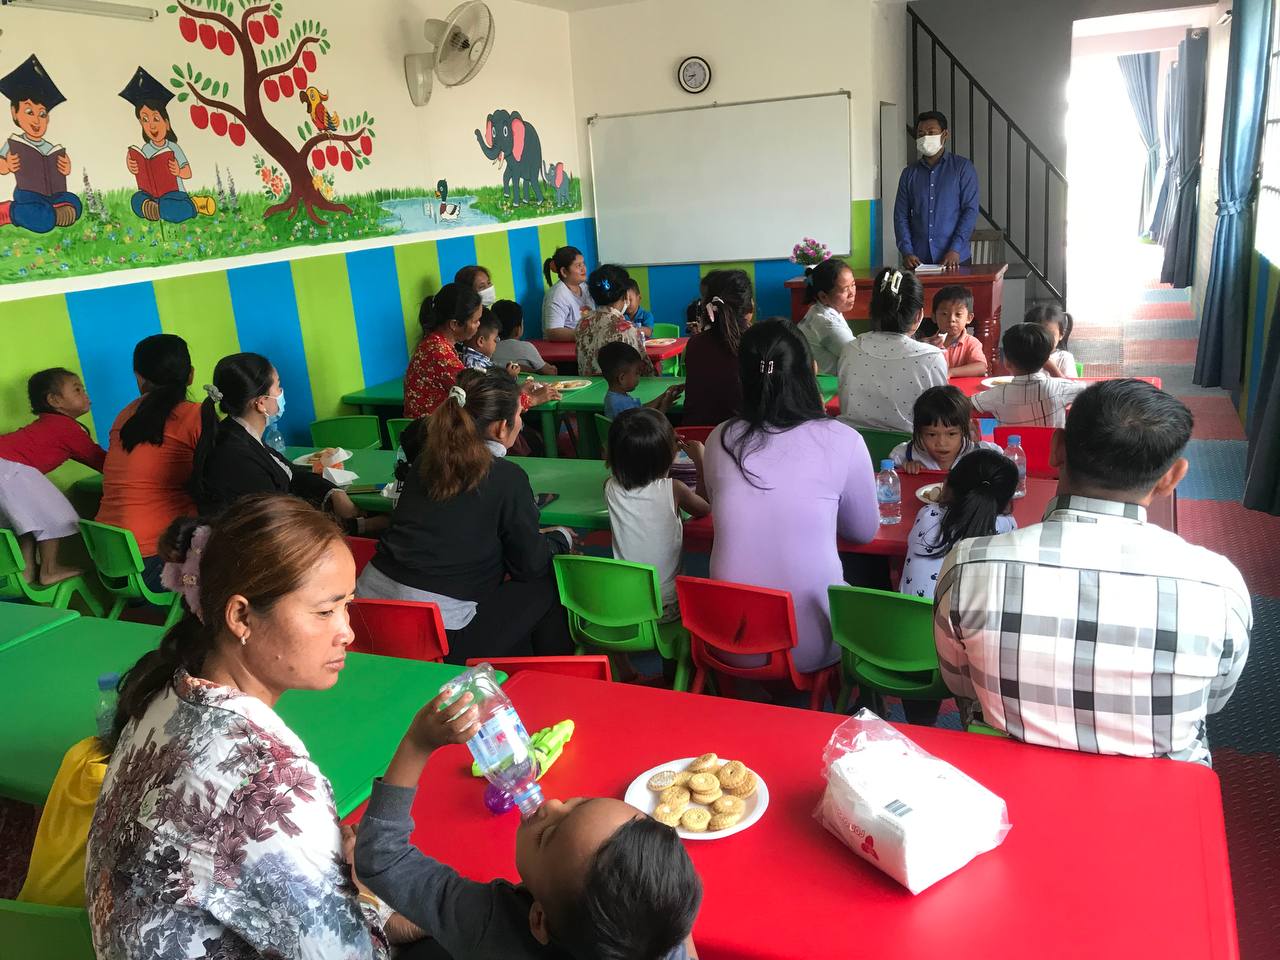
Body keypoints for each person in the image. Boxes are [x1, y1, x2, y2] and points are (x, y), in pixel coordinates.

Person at [85, 494, 424, 959]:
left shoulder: (163, 692)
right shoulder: (270, 785)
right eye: (325, 611)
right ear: (241, 615)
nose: (347, 631)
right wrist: (367, 896)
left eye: (347, 604)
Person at [935, 380, 1251, 764]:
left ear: (1056, 448)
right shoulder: (1220, 587)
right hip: (1160, 789)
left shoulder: (968, 565)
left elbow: (961, 684)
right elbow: (1213, 701)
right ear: (1172, 478)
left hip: (1006, 776)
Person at [354, 687, 701, 960]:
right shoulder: (656, 934)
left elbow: (383, 858)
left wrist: (417, 744)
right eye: (577, 804)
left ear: (538, 920)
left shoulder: (487, 923)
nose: (550, 804)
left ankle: (408, 926)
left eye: (548, 835)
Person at [356, 369, 574, 663]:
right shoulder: (506, 477)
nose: (521, 423)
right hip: (437, 637)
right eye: (520, 415)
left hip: (368, 616)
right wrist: (559, 540)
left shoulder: (425, 460)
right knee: (546, 582)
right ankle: (555, 684)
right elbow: (529, 566)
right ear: (500, 428)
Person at [704, 320, 879, 672]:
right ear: (809, 372)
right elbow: (863, 531)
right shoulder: (843, 439)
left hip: (726, 635)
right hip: (808, 646)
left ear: (743, 378)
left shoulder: (718, 439)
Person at [188, 352, 371, 530]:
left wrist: (334, 492)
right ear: (261, 403)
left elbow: (292, 473)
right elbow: (280, 522)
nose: (282, 392)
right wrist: (360, 526)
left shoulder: (241, 434)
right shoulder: (234, 455)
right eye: (278, 386)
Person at [96, 334, 203, 589]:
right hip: (157, 561)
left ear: (139, 378)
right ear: (191, 375)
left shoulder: (124, 416)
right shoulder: (195, 415)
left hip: (110, 559)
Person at [0, 367, 103, 584]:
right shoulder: (65, 427)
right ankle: (49, 569)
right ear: (54, 400)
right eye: (77, 390)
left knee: (27, 519)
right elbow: (99, 459)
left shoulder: (50, 424)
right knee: (55, 513)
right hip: (8, 466)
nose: (85, 394)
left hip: (6, 465)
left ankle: (26, 571)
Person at [606, 408, 710, 621]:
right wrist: (701, 461)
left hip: (624, 602)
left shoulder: (608, 487)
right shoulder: (674, 488)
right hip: (667, 606)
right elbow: (705, 507)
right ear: (665, 457)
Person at [405, 284, 557, 418]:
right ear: (455, 324)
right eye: (475, 321)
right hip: (434, 438)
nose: (479, 326)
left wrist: (516, 391)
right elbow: (482, 400)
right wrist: (531, 399)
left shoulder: (435, 344)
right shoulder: (439, 353)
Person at [836, 268, 948, 433]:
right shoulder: (931, 358)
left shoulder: (850, 350)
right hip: (912, 454)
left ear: (873, 311)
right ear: (919, 316)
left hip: (853, 449)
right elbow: (941, 421)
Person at [901, 448, 1017, 600]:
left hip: (906, 619)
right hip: (956, 623)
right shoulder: (1007, 526)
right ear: (1008, 502)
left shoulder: (927, 512)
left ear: (948, 484)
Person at [118, 66, 216, 223]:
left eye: (156, 119)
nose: (152, 126)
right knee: (136, 199)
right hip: (152, 195)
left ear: (167, 123)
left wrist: (178, 170)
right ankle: (153, 208)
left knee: (175, 206)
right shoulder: (146, 149)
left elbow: (188, 172)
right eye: (145, 120)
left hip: (174, 194)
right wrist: (133, 166)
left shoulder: (173, 147)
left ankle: (196, 205)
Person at [0, 54, 81, 233]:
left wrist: (65, 168)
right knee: (43, 221)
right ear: (14, 112)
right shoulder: (14, 143)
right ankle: (9, 211)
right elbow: (1, 165)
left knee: (75, 202)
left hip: (53, 195)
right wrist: (6, 165)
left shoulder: (50, 148)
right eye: (29, 111)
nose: (37, 120)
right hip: (27, 195)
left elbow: (62, 172)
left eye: (42, 114)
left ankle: (53, 213)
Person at [893, 110, 980, 270]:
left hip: (955, 259)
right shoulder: (909, 174)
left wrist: (955, 248)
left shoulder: (962, 168)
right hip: (918, 261)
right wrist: (906, 251)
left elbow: (970, 211)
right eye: (920, 133)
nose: (925, 137)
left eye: (931, 132)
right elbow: (901, 215)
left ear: (944, 134)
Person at [971, 323, 1085, 427]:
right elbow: (1090, 390)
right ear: (1046, 360)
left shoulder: (997, 394)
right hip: (1052, 449)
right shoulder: (1060, 388)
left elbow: (966, 404)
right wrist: (1053, 369)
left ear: (1007, 362)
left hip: (1013, 449)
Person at [682, 269, 755, 427]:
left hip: (694, 439)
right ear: (751, 306)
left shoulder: (695, 344)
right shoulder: (759, 343)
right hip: (741, 442)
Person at [890, 385, 1001, 473]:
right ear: (919, 432)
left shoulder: (985, 455)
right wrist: (904, 472)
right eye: (932, 435)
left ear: (964, 430)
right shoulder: (905, 455)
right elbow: (888, 484)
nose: (942, 443)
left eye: (951, 434)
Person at [576, 264, 651, 377]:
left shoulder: (582, 323)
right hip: (617, 392)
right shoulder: (626, 328)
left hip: (588, 390)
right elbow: (645, 370)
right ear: (625, 295)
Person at [797, 258, 857, 376]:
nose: (852, 293)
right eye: (845, 289)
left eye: (853, 285)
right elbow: (857, 355)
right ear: (823, 297)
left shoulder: (820, 310)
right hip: (824, 385)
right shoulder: (825, 322)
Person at [600, 341, 683, 420]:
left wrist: (664, 395)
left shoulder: (615, 397)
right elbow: (649, 427)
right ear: (622, 378)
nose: (639, 377)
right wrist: (664, 408)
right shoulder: (620, 404)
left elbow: (641, 410)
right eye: (637, 373)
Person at [922, 285, 987, 377]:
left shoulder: (971, 343)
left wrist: (950, 372)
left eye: (958, 314)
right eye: (944, 314)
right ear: (934, 317)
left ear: (969, 318)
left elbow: (981, 367)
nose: (951, 319)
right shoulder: (928, 344)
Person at [541, 245, 593, 342]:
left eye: (583, 264)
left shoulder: (585, 287)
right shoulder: (557, 295)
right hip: (563, 350)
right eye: (578, 265)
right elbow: (553, 332)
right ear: (564, 271)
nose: (584, 269)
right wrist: (589, 334)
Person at [491, 300, 557, 374]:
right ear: (517, 330)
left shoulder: (488, 347)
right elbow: (548, 371)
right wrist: (552, 369)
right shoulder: (525, 347)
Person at [461, 308, 522, 375]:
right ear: (481, 341)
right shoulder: (474, 364)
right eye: (496, 339)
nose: (497, 342)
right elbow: (488, 385)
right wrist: (508, 376)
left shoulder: (467, 357)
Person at [1026, 302, 1077, 378]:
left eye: (1050, 335)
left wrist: (1050, 368)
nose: (1043, 339)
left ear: (1061, 335)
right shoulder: (1024, 356)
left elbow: (1070, 386)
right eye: (1038, 334)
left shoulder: (1064, 358)